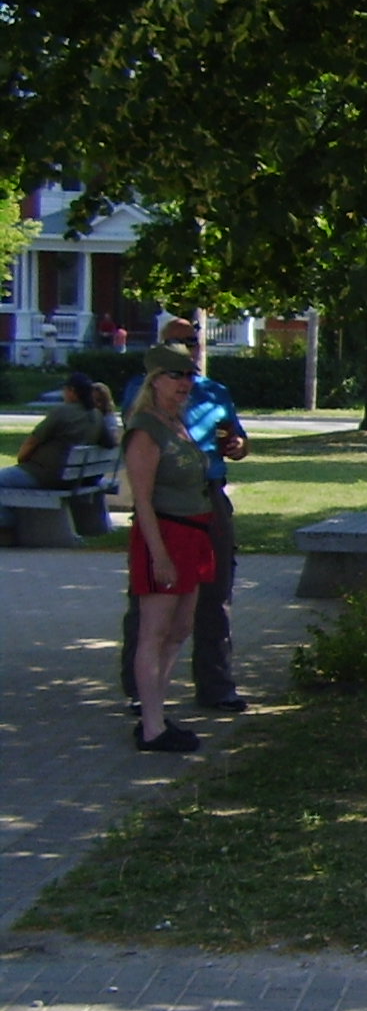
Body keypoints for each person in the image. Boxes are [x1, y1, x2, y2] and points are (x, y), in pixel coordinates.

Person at [120, 318, 250, 713]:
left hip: (208, 498)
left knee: (214, 595)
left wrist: (237, 445)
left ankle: (215, 685)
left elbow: (237, 440)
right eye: (175, 346)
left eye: (191, 344)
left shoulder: (215, 392)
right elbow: (141, 468)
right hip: (165, 507)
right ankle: (142, 694)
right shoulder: (143, 401)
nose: (185, 355)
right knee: (152, 604)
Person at [124, 344, 216, 753]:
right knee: (154, 632)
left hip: (195, 534)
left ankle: (156, 712)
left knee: (180, 629)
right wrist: (158, 554)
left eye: (189, 377)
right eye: (176, 376)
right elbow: (141, 498)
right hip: (163, 535)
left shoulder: (177, 423)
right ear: (155, 380)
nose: (185, 384)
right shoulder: (146, 429)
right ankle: (152, 727)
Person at [0, 371, 118, 542]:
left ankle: (5, 527)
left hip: (43, 475)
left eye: (65, 390)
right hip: (73, 478)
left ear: (72, 391)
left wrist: (22, 459)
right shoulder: (96, 416)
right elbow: (110, 444)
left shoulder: (62, 412)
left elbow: (32, 442)